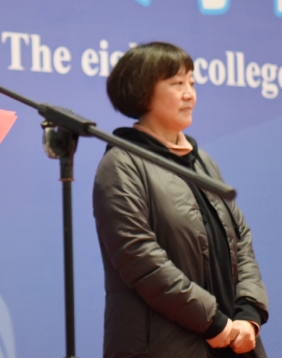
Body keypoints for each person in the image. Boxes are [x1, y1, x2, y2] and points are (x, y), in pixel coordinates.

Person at [92, 42, 268, 357]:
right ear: (142, 92)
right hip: (162, 345)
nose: (190, 94)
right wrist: (216, 324)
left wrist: (248, 313)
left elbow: (240, 239)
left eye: (192, 83)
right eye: (177, 84)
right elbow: (141, 260)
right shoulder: (120, 164)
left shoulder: (203, 160)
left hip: (234, 340)